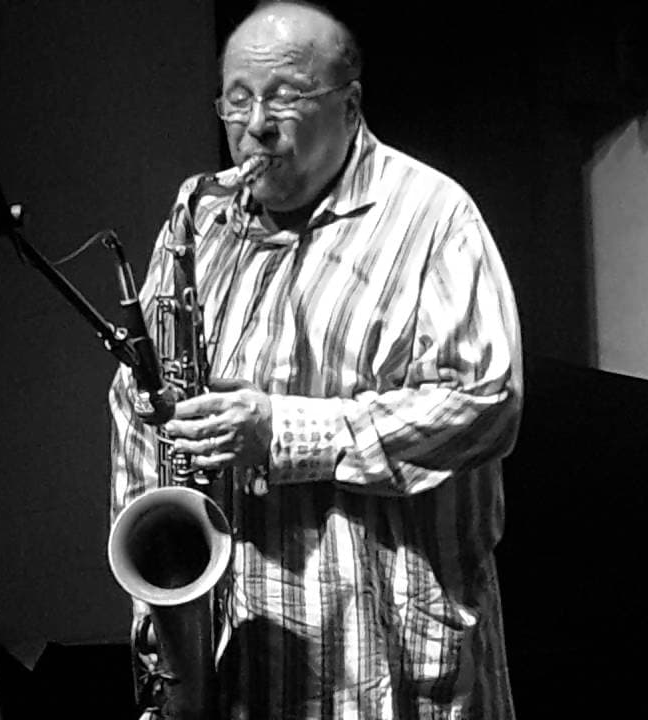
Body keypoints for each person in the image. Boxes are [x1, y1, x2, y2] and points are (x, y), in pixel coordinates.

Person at [107, 2, 524, 718]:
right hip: (240, 662)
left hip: (389, 664)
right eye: (237, 101)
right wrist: (164, 628)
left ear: (350, 105)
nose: (257, 125)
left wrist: (281, 431)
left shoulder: (432, 215)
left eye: (286, 97)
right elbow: (139, 404)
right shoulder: (200, 220)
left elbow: (484, 402)